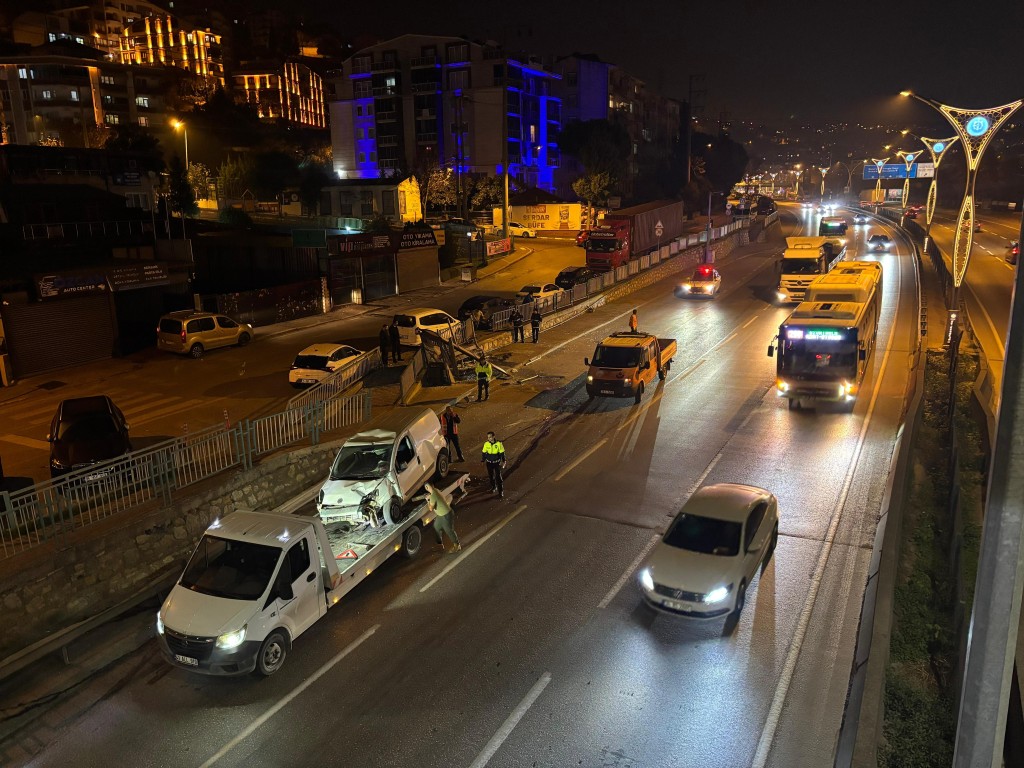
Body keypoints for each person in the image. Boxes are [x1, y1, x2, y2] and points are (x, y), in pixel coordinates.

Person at [425, 482, 461, 553]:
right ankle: (440, 545)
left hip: (446, 515)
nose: (427, 488)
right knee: (436, 527)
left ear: (427, 488)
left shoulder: (433, 496)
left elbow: (431, 508)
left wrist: (428, 500)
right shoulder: (436, 490)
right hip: (441, 515)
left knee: (449, 530)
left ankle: (457, 545)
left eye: (427, 487)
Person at [481, 431, 506, 498]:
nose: (489, 438)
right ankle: (493, 487)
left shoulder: (499, 444)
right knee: (491, 476)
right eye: (488, 437)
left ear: (494, 436)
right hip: (489, 463)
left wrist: (504, 461)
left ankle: (501, 491)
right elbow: (484, 452)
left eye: (490, 437)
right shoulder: (486, 444)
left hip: (497, 463)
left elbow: (502, 453)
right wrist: (483, 460)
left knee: (498, 478)